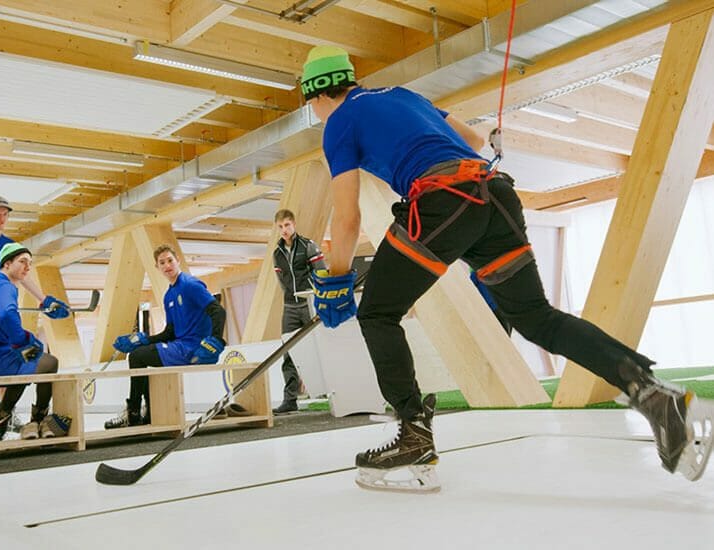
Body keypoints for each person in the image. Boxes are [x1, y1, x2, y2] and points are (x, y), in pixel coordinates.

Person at [300, 45, 713, 492]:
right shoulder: (403, 95)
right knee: (536, 317)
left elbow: (347, 218)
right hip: (495, 196)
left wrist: (335, 281)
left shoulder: (339, 122)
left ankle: (413, 437)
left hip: (444, 199)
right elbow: (474, 141)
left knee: (378, 313)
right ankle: (653, 395)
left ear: (315, 95)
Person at [0, 195, 70, 438]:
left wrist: (42, 299)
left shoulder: (10, 245)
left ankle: (3, 418)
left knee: (21, 356)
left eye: (6, 214)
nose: (2, 218)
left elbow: (22, 275)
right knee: (33, 357)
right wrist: (24, 338)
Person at [105, 244, 227, 429]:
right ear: (157, 267)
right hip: (179, 345)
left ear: (178, 261)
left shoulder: (190, 285)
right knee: (138, 352)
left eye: (170, 260)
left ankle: (134, 413)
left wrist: (216, 339)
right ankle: (148, 412)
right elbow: (169, 333)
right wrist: (143, 339)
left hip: (194, 348)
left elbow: (218, 311)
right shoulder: (168, 296)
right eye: (162, 262)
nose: (167, 265)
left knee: (138, 357)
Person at [272, 209, 327, 414]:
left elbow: (321, 274)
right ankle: (290, 399)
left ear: (294, 224)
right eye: (280, 227)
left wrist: (319, 300)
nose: (284, 230)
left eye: (287, 225)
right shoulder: (277, 254)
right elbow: (282, 282)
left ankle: (330, 392)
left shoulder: (308, 246)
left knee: (321, 347)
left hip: (310, 304)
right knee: (289, 352)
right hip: (290, 307)